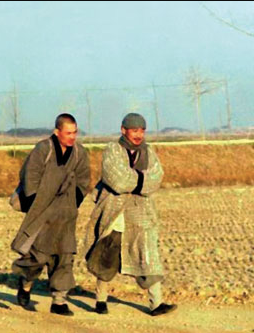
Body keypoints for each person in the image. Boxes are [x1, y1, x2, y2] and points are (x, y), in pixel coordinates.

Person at [84, 113, 177, 316]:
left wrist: (135, 180)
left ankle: (156, 303)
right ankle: (100, 300)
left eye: (142, 130)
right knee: (107, 254)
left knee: (148, 255)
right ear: (124, 130)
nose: (139, 135)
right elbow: (116, 180)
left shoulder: (149, 151)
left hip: (141, 211)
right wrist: (142, 180)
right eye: (135, 130)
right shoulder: (112, 150)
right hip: (115, 211)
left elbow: (157, 178)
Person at [10, 113, 90, 316]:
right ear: (57, 132)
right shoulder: (43, 149)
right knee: (37, 256)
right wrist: (36, 203)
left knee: (64, 257)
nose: (72, 137)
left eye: (75, 132)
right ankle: (26, 284)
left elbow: (84, 180)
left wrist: (73, 203)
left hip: (66, 216)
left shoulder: (80, 152)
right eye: (68, 133)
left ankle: (59, 301)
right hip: (43, 214)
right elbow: (30, 175)